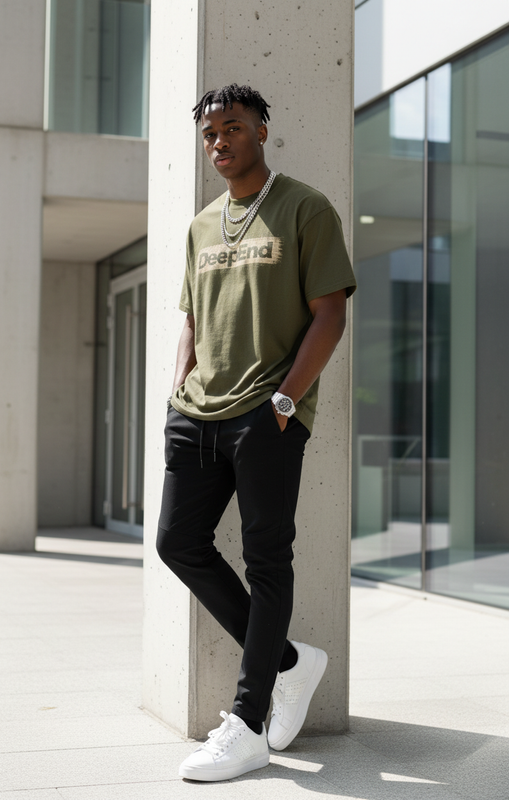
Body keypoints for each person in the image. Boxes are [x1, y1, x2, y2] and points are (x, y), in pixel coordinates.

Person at [156, 83, 357, 782]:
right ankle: (291, 663)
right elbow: (190, 318)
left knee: (268, 559)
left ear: (262, 131)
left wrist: (283, 401)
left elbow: (328, 313)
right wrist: (177, 394)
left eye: (232, 128)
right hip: (197, 411)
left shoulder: (303, 208)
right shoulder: (199, 225)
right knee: (177, 541)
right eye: (210, 133)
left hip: (265, 413)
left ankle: (246, 723)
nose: (220, 142)